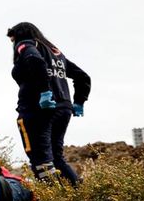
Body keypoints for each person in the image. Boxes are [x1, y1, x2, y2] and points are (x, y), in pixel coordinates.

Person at [7, 22, 91, 186]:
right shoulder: (56, 53)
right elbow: (83, 77)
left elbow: (35, 61)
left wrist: (45, 92)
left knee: (41, 159)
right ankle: (79, 197)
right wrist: (79, 101)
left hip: (38, 109)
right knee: (57, 158)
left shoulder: (25, 45)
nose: (12, 44)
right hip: (63, 109)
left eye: (12, 40)